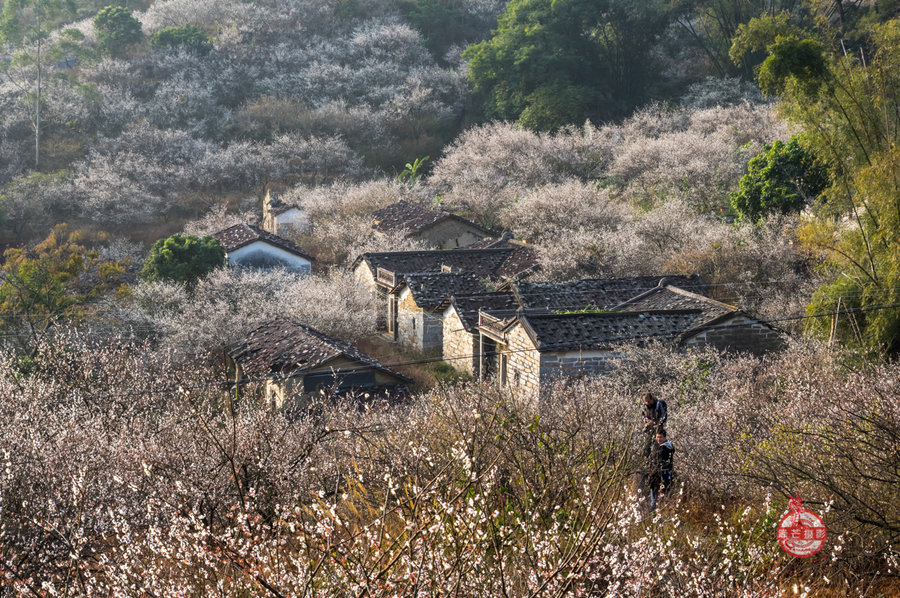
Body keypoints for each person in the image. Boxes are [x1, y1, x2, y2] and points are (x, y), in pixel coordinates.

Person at [648, 428, 675, 511]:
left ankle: (653, 518)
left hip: (659, 477)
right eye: (657, 437)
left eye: (661, 437)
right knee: (661, 500)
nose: (659, 439)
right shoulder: (667, 447)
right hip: (665, 476)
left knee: (655, 501)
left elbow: (660, 463)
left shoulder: (664, 449)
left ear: (665, 438)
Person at [640, 392, 668, 457]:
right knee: (646, 447)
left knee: (657, 448)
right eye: (646, 402)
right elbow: (642, 414)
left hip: (658, 430)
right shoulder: (645, 406)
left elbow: (664, 417)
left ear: (652, 399)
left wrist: (654, 422)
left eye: (649, 401)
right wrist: (644, 419)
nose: (647, 403)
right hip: (649, 429)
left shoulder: (659, 404)